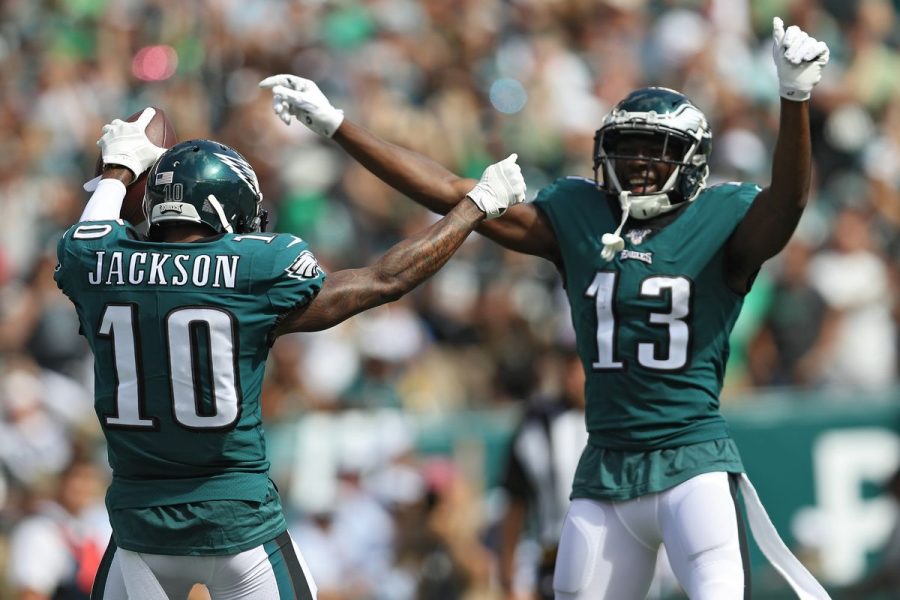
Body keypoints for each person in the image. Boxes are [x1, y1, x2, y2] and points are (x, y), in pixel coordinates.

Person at [259, 17, 831, 600]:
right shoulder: (580, 216)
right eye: (625, 148)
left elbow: (787, 202)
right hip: (605, 470)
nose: (635, 163)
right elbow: (452, 190)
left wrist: (794, 98)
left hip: (692, 464)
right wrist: (338, 126)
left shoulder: (721, 219)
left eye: (654, 152)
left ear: (692, 161)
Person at [54, 109, 525, 599]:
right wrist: (476, 204)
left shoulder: (95, 263)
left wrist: (118, 169)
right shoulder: (253, 271)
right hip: (240, 525)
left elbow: (89, 239)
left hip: (140, 529)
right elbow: (388, 278)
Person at [497, 347, 586, 600]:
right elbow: (516, 498)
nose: (573, 374)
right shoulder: (537, 424)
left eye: (578, 363)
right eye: (568, 364)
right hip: (553, 556)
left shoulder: (620, 418)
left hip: (613, 553)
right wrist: (507, 573)